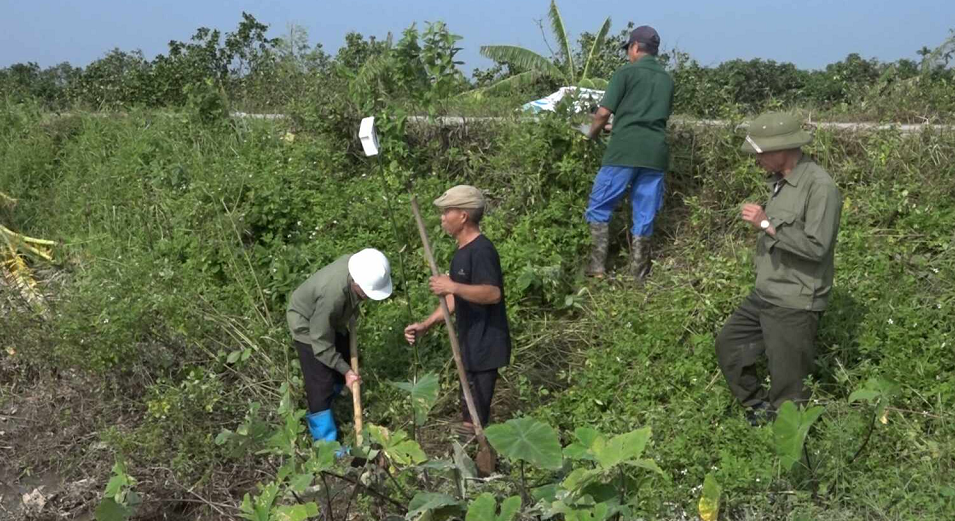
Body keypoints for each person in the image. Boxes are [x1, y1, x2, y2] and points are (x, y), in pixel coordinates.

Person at [715, 112, 843, 425]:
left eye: (760, 153)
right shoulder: (780, 182)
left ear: (782, 149)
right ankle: (760, 411)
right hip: (767, 293)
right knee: (730, 345)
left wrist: (767, 225)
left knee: (789, 387)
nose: (756, 160)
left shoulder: (820, 187)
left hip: (795, 301)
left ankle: (791, 460)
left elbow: (817, 247)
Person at [403, 185, 512, 438]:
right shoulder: (461, 253)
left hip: (486, 345)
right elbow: (455, 298)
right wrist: (426, 324)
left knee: (473, 418)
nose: (442, 218)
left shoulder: (482, 250)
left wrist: (452, 285)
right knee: (469, 411)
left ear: (463, 216)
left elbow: (492, 293)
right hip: (469, 345)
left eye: (447, 212)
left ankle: (480, 469)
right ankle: (473, 462)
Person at [584, 25, 674, 280]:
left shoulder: (626, 73)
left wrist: (590, 134)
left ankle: (597, 269)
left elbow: (602, 113)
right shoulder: (667, 79)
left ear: (634, 47)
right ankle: (638, 275)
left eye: (629, 50)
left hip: (623, 152)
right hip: (655, 154)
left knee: (599, 208)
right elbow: (651, 118)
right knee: (644, 215)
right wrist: (618, 125)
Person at [287, 248, 392, 442]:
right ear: (356, 283)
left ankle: (338, 398)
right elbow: (320, 340)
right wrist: (346, 371)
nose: (368, 297)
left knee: (342, 353)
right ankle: (326, 443)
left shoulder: (359, 265)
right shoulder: (332, 296)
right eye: (366, 293)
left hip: (329, 318)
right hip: (307, 324)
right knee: (321, 382)